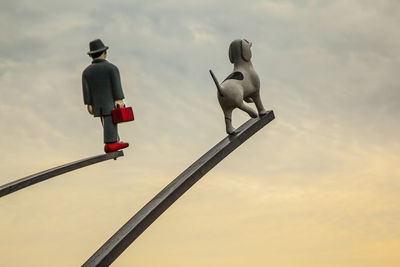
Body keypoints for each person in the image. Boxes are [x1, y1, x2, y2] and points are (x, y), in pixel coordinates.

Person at [82, 39, 129, 153]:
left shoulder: (87, 72)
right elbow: (116, 85)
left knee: (105, 120)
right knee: (111, 120)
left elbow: (86, 89)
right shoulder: (111, 68)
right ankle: (111, 142)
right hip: (110, 102)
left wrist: (88, 103)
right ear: (104, 53)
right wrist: (119, 99)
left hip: (97, 103)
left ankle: (113, 140)